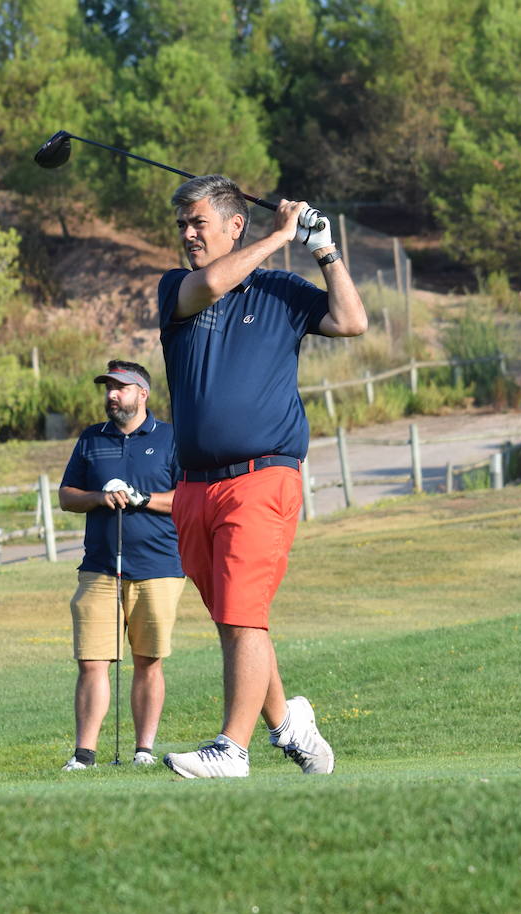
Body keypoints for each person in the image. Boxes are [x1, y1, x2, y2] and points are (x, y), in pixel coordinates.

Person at [155, 175, 367, 778]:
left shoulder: (280, 291)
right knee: (232, 617)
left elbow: (352, 322)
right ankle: (289, 724)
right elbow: (215, 283)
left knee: (245, 612)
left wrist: (323, 249)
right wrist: (282, 234)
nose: (189, 235)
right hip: (194, 487)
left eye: (199, 223)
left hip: (263, 477)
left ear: (234, 224)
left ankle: (233, 749)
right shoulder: (178, 288)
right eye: (183, 226)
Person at [57, 360, 185, 770]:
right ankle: (84, 755)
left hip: (159, 567)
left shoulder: (171, 438)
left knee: (148, 660)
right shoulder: (92, 439)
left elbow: (187, 499)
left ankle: (143, 751)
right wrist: (98, 497)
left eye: (121, 388)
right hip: (98, 568)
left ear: (142, 393)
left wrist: (143, 498)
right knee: (92, 661)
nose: (112, 395)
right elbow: (67, 496)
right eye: (108, 387)